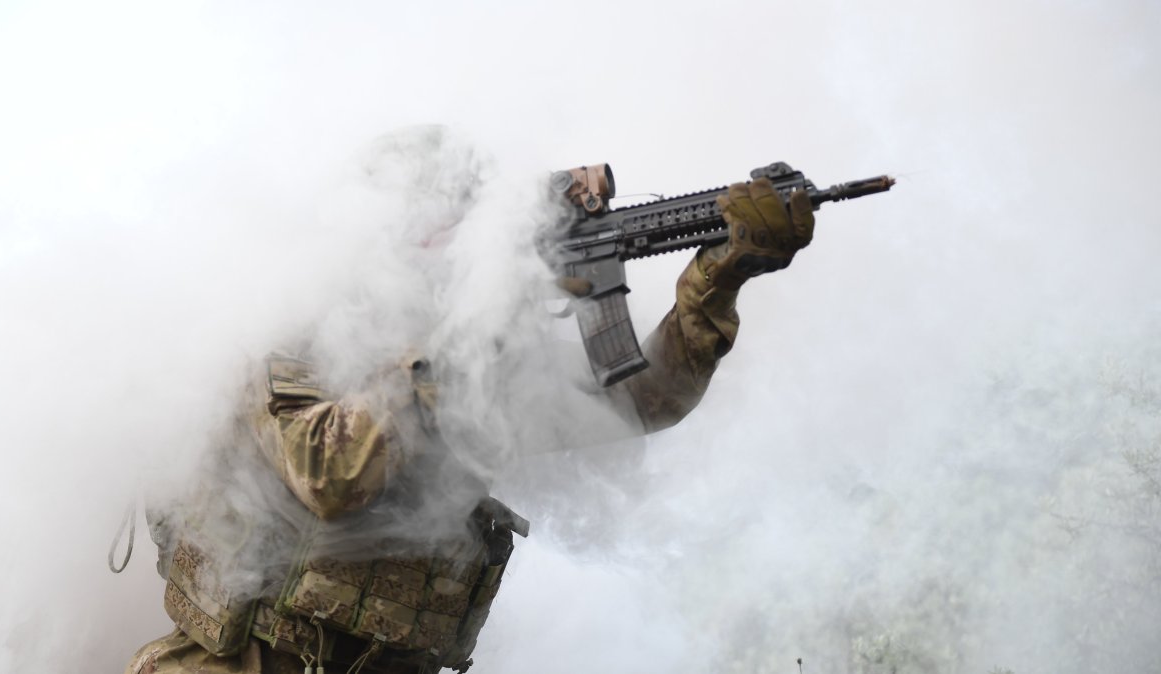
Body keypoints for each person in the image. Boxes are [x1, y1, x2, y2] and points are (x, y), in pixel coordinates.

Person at [124, 128, 816, 674]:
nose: (460, 246)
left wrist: (717, 281)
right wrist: (473, 328)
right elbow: (328, 476)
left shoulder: (470, 359)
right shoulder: (290, 324)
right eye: (441, 223)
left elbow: (641, 403)